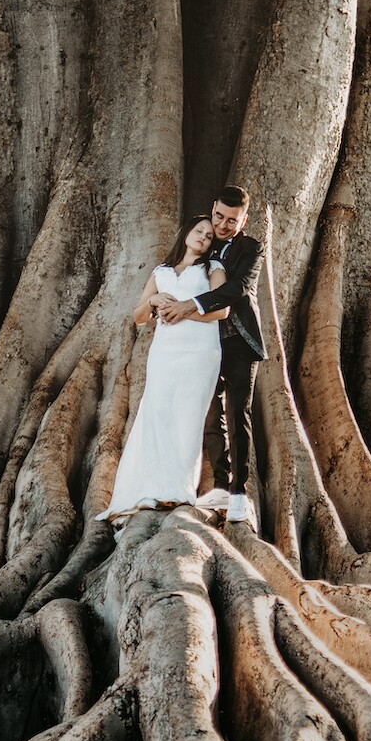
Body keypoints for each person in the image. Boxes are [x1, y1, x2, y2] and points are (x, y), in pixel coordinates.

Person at [96, 216, 230, 522]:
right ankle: (149, 489)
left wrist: (182, 311)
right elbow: (140, 317)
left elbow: (222, 310)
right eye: (199, 231)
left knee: (188, 417)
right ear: (186, 233)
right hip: (166, 353)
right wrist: (155, 300)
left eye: (209, 237)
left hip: (199, 352)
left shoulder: (212, 269)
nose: (203, 238)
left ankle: (177, 490)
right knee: (157, 413)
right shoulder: (161, 272)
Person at [156, 185, 267, 525]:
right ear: (213, 209)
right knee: (205, 409)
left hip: (238, 341)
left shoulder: (251, 247)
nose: (222, 224)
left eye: (231, 220)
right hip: (200, 341)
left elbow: (238, 288)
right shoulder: (202, 239)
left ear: (243, 219)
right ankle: (218, 482)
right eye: (219, 216)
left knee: (238, 411)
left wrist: (191, 305)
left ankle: (238, 493)